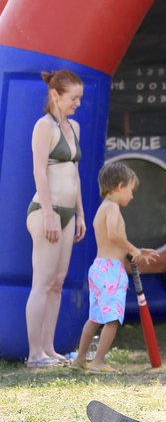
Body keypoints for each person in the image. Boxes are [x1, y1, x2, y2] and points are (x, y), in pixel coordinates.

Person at [24, 70, 87, 368]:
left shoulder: (73, 126)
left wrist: (81, 214)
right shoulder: (43, 126)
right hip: (45, 212)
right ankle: (34, 353)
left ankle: (49, 349)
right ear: (55, 95)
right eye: (73, 98)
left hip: (68, 214)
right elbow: (39, 172)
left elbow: (73, 175)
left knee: (58, 283)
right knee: (43, 281)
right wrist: (49, 214)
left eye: (80, 98)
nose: (78, 103)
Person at [70, 163, 158, 373]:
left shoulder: (105, 207)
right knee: (112, 320)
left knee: (95, 318)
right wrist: (132, 248)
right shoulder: (111, 207)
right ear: (119, 186)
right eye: (131, 190)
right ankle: (98, 361)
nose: (132, 196)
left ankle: (80, 359)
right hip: (110, 272)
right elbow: (114, 236)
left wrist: (138, 250)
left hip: (100, 268)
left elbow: (114, 243)